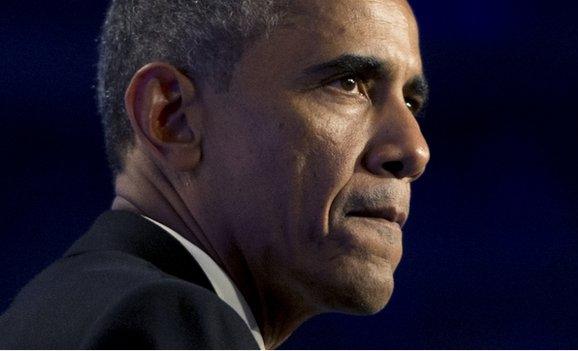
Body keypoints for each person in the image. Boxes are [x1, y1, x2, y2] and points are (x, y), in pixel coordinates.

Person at [0, 0, 430, 348]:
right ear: (172, 117)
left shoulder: (57, 312)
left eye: (411, 103)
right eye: (348, 83)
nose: (414, 150)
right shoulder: (166, 322)